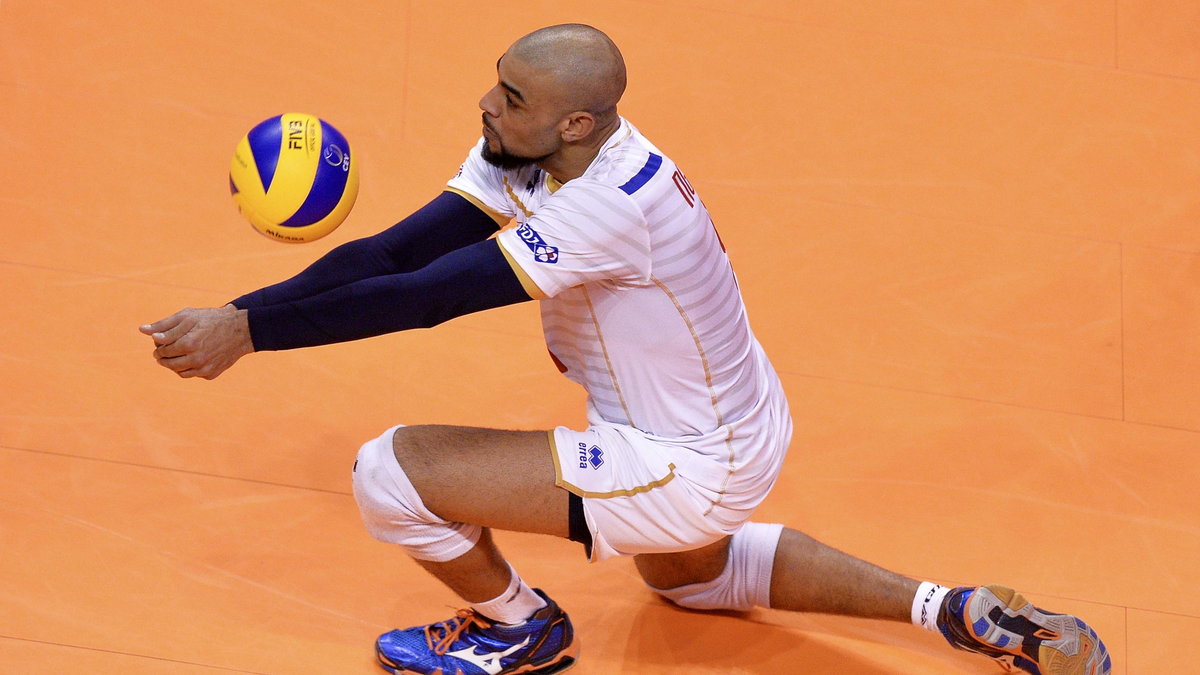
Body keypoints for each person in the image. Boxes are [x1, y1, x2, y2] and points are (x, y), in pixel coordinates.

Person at [141, 24, 1111, 675]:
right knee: (686, 579)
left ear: (575, 120)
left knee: (388, 472)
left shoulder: (612, 207)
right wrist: (237, 310)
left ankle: (519, 630)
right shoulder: (536, 149)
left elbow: (428, 298)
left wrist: (251, 333)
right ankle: (960, 610)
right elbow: (400, 248)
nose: (486, 104)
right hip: (734, 421)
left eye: (509, 96)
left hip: (685, 457)